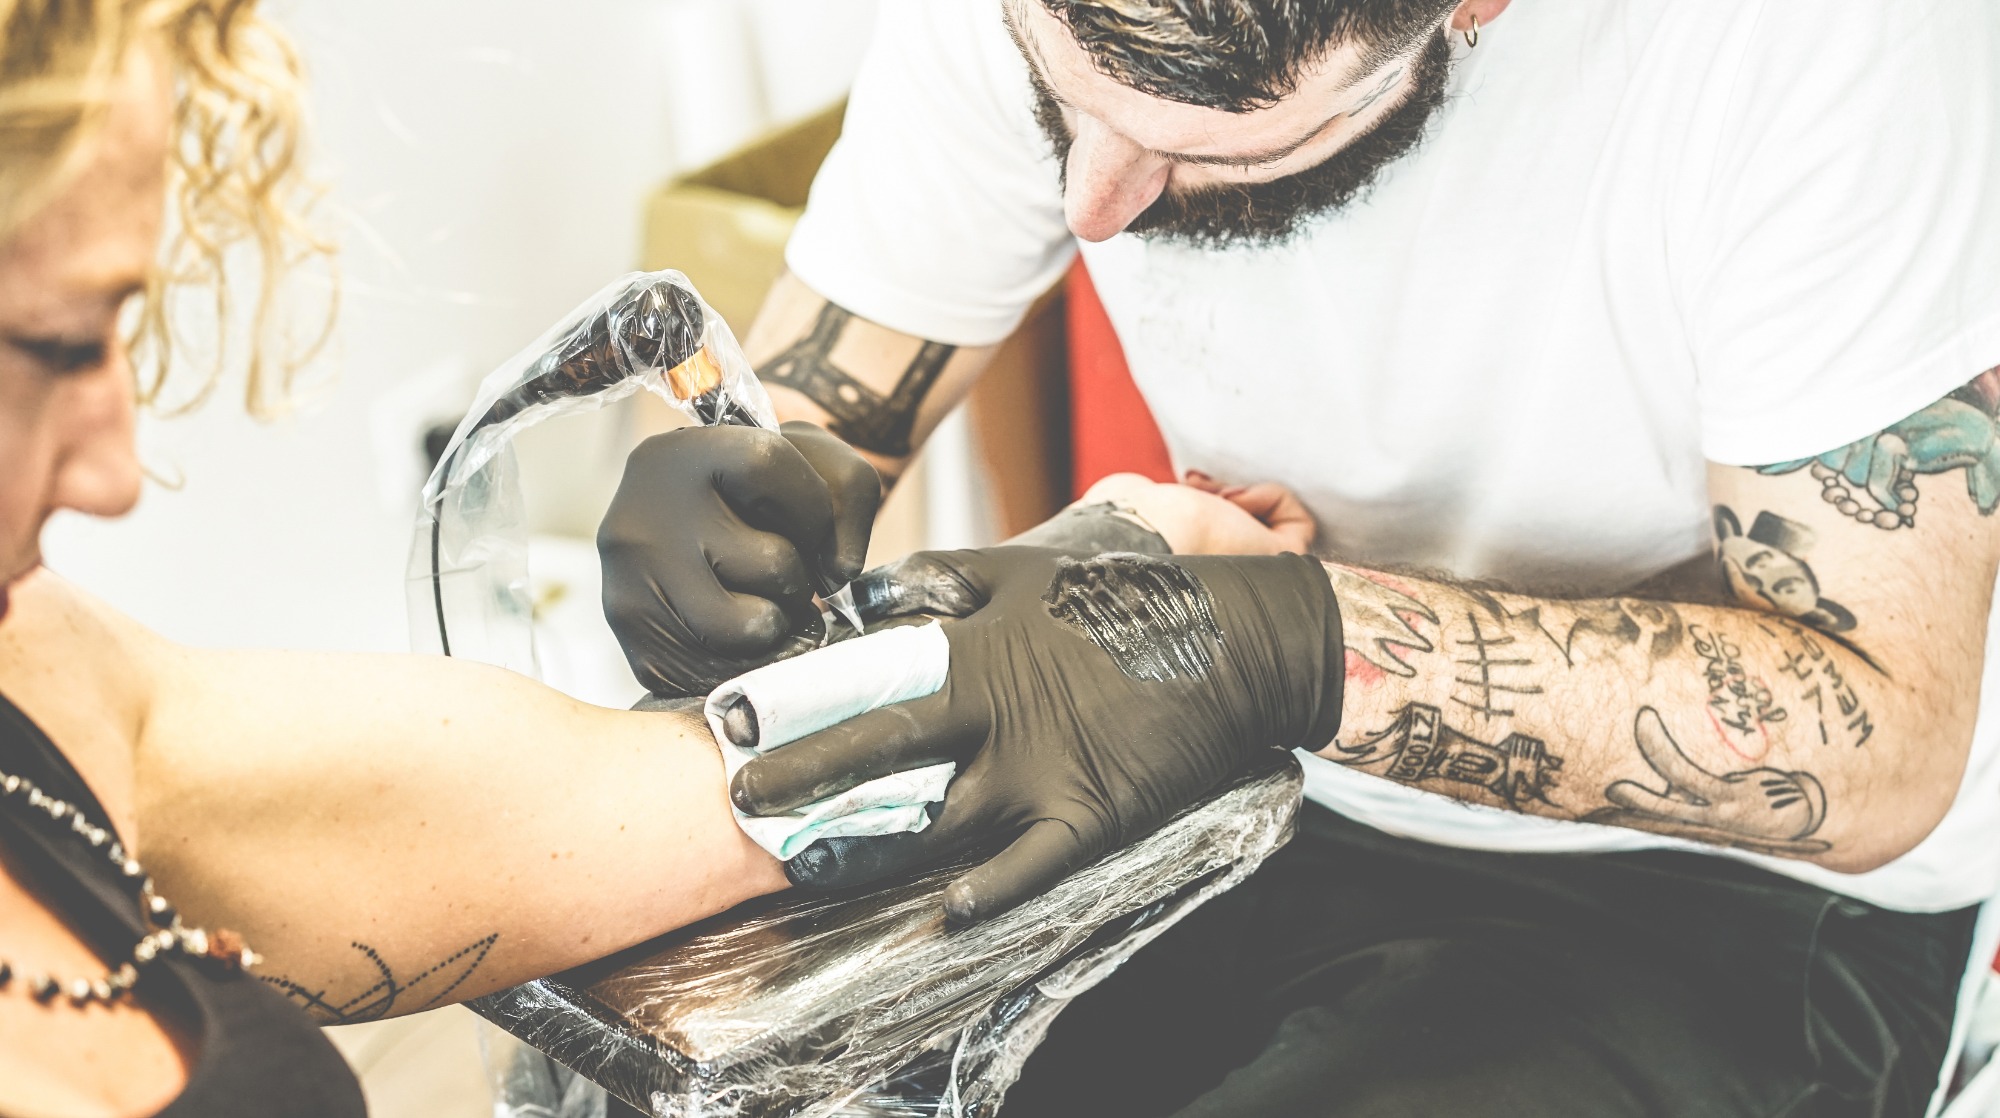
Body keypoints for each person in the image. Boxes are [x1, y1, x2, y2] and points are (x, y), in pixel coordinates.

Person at [597, 0, 2000, 1114]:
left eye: (1213, 147)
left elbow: (1880, 734)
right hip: (1245, 781)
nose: (1094, 201)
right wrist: (747, 481)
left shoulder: (1819, 47)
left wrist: (1274, 641)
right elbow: (828, 387)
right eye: (1058, 100)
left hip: (1725, 886)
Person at [0, 3, 791, 1114]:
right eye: (63, 344)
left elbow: (422, 804)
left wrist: (864, 754)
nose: (114, 476)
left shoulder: (30, 662)